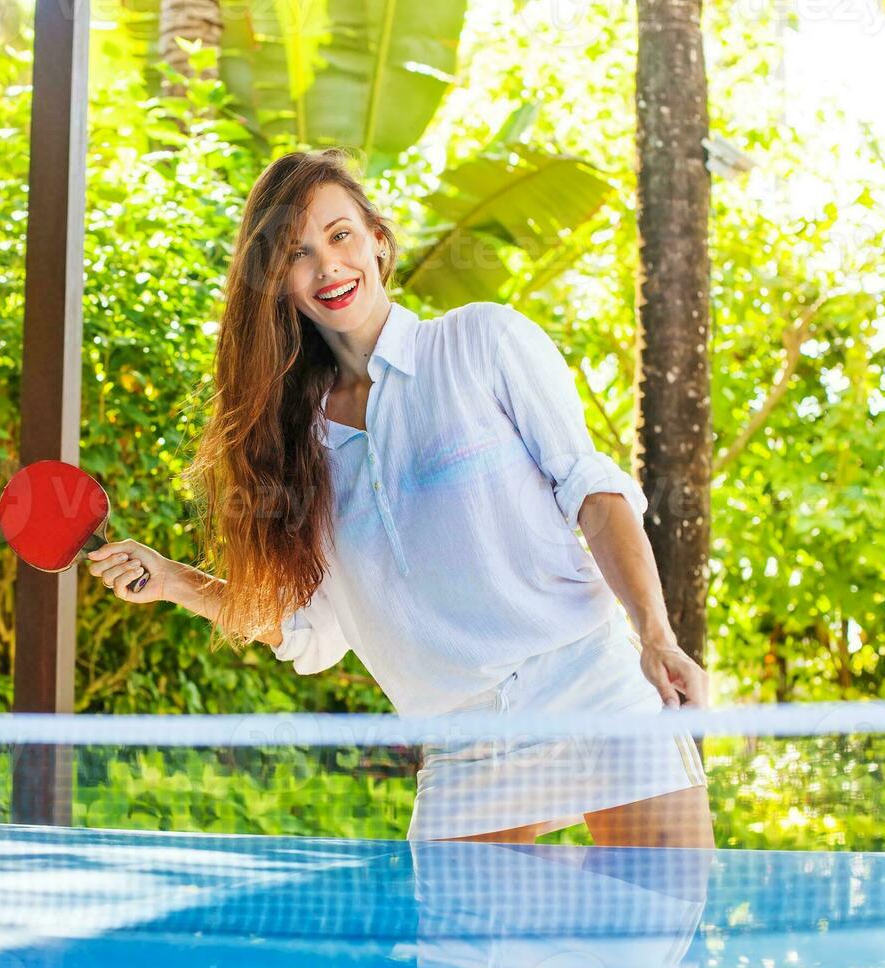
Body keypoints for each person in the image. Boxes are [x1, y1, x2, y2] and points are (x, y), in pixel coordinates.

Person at [82, 147, 715, 848]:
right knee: (461, 960)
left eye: (340, 235)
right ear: (277, 283)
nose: (327, 267)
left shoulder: (483, 341)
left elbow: (594, 494)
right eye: (298, 253)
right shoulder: (293, 449)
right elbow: (309, 626)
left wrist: (656, 636)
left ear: (378, 242)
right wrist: (174, 580)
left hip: (590, 689)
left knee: (659, 941)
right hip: (463, 742)